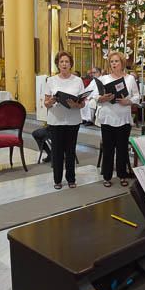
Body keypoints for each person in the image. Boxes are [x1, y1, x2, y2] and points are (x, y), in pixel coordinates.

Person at [94, 51, 140, 187]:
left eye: (116, 61)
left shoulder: (130, 79)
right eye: (112, 62)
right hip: (108, 117)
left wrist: (129, 101)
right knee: (108, 149)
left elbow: (137, 96)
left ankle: (122, 175)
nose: (114, 64)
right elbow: (95, 97)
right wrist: (102, 98)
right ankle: (107, 176)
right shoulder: (103, 79)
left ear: (122, 63)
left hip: (123, 118)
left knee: (122, 149)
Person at [43, 51, 85, 189]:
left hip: (73, 120)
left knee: (70, 151)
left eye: (67, 61)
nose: (64, 64)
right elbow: (46, 103)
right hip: (56, 120)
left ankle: (71, 179)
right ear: (58, 64)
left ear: (71, 64)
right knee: (57, 152)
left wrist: (76, 104)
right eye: (61, 62)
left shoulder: (78, 81)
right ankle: (57, 180)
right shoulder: (51, 80)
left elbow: (83, 103)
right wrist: (52, 100)